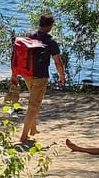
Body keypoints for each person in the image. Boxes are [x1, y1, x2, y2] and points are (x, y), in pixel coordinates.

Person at [16, 13, 67, 145]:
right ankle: (23, 136)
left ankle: (33, 128)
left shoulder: (29, 35)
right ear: (50, 26)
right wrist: (62, 75)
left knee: (35, 101)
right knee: (33, 105)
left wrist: (14, 73)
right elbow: (57, 61)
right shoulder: (51, 41)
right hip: (40, 76)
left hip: (27, 74)